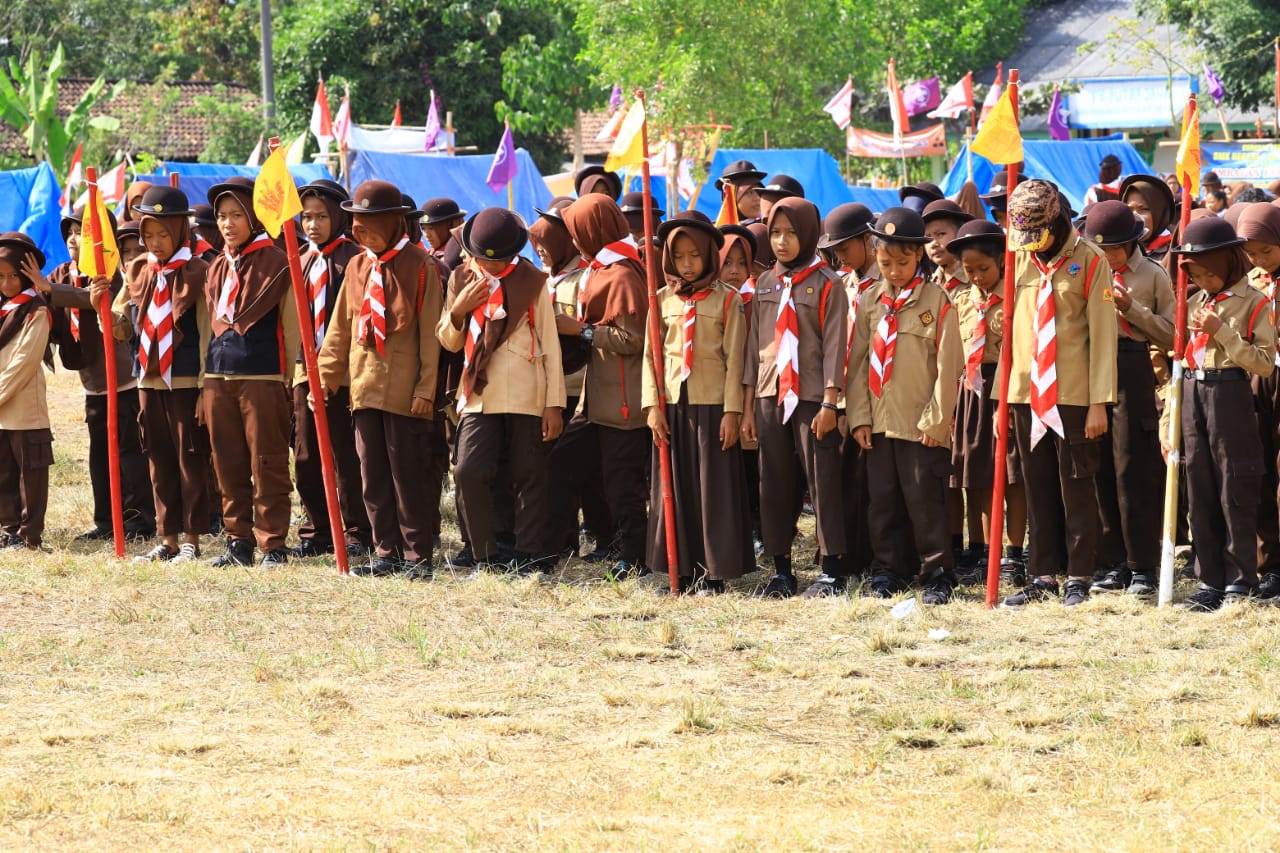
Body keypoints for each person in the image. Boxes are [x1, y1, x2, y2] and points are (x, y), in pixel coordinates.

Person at [999, 180, 1116, 608]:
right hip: (1027, 393)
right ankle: (1043, 574)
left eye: (1040, 235)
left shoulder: (1090, 261)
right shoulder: (1021, 258)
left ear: (1059, 219)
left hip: (1073, 397)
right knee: (1039, 485)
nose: (1034, 245)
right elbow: (1012, 332)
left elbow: (1103, 336)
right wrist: (1003, 398)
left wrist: (1099, 401)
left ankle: (1079, 575)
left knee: (1077, 486)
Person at [317, 181, 442, 577]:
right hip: (364, 386)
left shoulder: (420, 265)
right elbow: (339, 327)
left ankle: (416, 555)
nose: (359, 229)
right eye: (356, 220)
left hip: (406, 390)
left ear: (393, 222)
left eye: (370, 221)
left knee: (408, 475)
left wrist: (426, 389)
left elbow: (430, 334)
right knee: (371, 473)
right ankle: (385, 551)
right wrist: (326, 377)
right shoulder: (358, 265)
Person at [437, 207, 565, 574]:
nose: (491, 267)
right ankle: (484, 553)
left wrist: (553, 403)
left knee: (529, 474)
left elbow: (551, 346)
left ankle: (529, 553)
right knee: (468, 471)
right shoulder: (461, 277)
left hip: (528, 390)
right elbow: (448, 341)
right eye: (482, 258)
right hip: (479, 392)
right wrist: (459, 311)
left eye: (500, 260)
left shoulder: (532, 280)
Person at [847, 207, 963, 603]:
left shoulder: (938, 301)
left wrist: (936, 421)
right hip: (879, 421)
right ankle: (888, 571)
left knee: (925, 501)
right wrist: (859, 416)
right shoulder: (869, 301)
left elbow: (949, 368)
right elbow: (858, 362)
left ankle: (937, 573)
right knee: (883, 502)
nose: (894, 271)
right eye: (885, 262)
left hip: (920, 423)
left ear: (920, 255)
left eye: (902, 261)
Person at [741, 197, 848, 598]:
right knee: (774, 482)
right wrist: (751, 403)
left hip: (811, 395)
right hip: (770, 393)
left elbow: (837, 344)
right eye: (775, 233)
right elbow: (756, 345)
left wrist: (829, 402)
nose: (782, 242)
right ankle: (782, 569)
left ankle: (832, 569)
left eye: (790, 233)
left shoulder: (827, 283)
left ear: (807, 234)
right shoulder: (765, 282)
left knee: (822, 480)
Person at [100, 184, 212, 564]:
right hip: (148, 378)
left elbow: (206, 332)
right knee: (158, 459)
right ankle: (168, 538)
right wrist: (106, 305)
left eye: (164, 234)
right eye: (149, 235)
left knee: (189, 459)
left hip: (184, 381)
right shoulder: (138, 269)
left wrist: (202, 386)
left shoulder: (198, 271)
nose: (156, 242)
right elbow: (120, 325)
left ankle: (194, 537)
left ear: (181, 230)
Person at [1169, 217, 1276, 610]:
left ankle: (1240, 579)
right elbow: (1178, 358)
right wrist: (1170, 422)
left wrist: (1223, 333)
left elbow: (1264, 363)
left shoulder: (1255, 302)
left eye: (1209, 274)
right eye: (1195, 274)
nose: (1204, 282)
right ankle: (1208, 579)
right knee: (1199, 488)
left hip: (1230, 391)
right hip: (1194, 390)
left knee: (1235, 486)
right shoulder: (1194, 302)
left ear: (1230, 264)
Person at [643, 214, 751, 593]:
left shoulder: (728, 300)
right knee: (674, 489)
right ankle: (680, 570)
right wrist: (652, 406)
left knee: (711, 490)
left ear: (709, 254)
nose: (687, 264)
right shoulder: (660, 301)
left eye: (694, 255)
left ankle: (713, 573)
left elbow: (735, 360)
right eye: (680, 256)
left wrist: (732, 412)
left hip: (712, 405)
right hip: (672, 406)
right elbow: (650, 357)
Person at [551, 194, 652, 579]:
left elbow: (632, 339)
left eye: (577, 230)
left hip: (623, 399)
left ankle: (636, 556)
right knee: (569, 462)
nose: (574, 240)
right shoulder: (602, 268)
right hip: (599, 396)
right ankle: (583, 542)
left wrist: (582, 330)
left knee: (622, 482)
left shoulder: (622, 272)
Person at [39, 208, 156, 541]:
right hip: (92, 383)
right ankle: (106, 520)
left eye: (83, 232)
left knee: (130, 455)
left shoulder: (113, 272)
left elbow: (97, 299)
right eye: (71, 233)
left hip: (123, 381)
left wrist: (47, 289)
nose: (75, 239)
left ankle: (138, 521)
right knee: (99, 456)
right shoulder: (62, 273)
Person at [201, 176, 300, 567]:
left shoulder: (277, 261)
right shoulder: (216, 266)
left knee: (267, 461)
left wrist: (286, 376)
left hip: (262, 375)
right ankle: (237, 540)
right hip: (218, 376)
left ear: (255, 218)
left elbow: (291, 324)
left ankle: (272, 542)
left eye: (236, 215)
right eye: (222, 217)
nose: (228, 224)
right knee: (227, 462)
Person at [1080, 201, 1174, 598]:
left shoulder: (1152, 275)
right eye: (1102, 249)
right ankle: (1112, 560)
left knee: (1132, 469)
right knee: (1098, 465)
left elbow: (1171, 335)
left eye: (1116, 249)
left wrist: (1130, 308)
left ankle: (1142, 566)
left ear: (1133, 242)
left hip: (1132, 366)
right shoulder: (1085, 269)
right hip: (1090, 365)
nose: (1109, 256)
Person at [290, 179, 371, 560]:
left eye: (321, 216)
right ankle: (318, 526)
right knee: (306, 453)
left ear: (339, 216)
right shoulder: (300, 260)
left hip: (344, 370)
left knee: (345, 453)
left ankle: (355, 528)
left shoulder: (353, 260)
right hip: (305, 369)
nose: (313, 225)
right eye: (306, 217)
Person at [945, 220, 1028, 586]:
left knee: (1012, 477)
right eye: (969, 271)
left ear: (1001, 263)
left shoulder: (1015, 300)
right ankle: (980, 549)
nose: (977, 277)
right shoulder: (961, 301)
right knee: (974, 475)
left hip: (1005, 389)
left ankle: (1013, 554)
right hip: (970, 391)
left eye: (984, 269)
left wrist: (1009, 400)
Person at [810, 202, 877, 594]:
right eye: (834, 252)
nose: (839, 257)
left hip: (875, 392)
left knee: (872, 482)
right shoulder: (844, 284)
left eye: (846, 248)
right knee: (844, 478)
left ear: (868, 240)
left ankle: (874, 557)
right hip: (844, 394)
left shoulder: (888, 283)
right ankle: (847, 558)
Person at [1235, 203, 1280, 601]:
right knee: (1262, 471)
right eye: (1251, 252)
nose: (1258, 259)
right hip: (1259, 379)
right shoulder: (1251, 282)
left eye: (1266, 250)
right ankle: (1270, 567)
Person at [0, 233, 54, 551]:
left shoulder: (37, 311)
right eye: (1, 277)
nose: (7, 284)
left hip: (24, 410)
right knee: (4, 472)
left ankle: (28, 533)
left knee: (30, 475)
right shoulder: (3, 309)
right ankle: (8, 530)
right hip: (2, 412)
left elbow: (23, 363)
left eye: (13, 276)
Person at [1121, 175, 1176, 261]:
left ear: (1159, 213)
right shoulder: (1116, 250)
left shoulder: (1176, 251)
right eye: (1129, 210)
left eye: (1143, 209)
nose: (1135, 217)